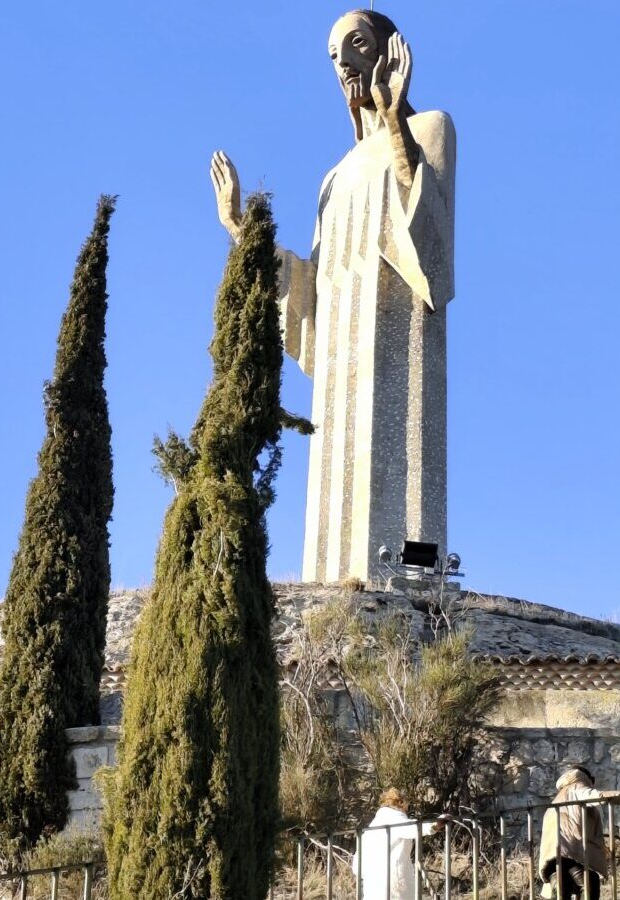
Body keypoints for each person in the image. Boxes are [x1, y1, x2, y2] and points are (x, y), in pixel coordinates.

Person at [210, 9, 456, 585]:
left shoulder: (430, 129)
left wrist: (397, 127)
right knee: (332, 552)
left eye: (355, 44)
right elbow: (312, 292)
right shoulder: (334, 179)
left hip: (401, 350)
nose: (343, 63)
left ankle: (417, 579)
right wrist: (243, 232)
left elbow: (436, 258)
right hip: (343, 364)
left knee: (409, 557)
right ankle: (337, 583)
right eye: (333, 55)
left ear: (390, 52)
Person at [538, 767, 620, 900]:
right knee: (589, 883)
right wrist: (617, 795)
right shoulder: (576, 787)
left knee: (560, 890)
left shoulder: (556, 801)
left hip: (552, 858)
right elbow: (592, 795)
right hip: (572, 852)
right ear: (585, 777)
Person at [353, 787, 440, 900]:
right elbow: (412, 829)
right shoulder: (394, 818)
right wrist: (434, 825)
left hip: (373, 887)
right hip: (393, 887)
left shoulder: (371, 828)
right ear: (401, 803)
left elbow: (356, 867)